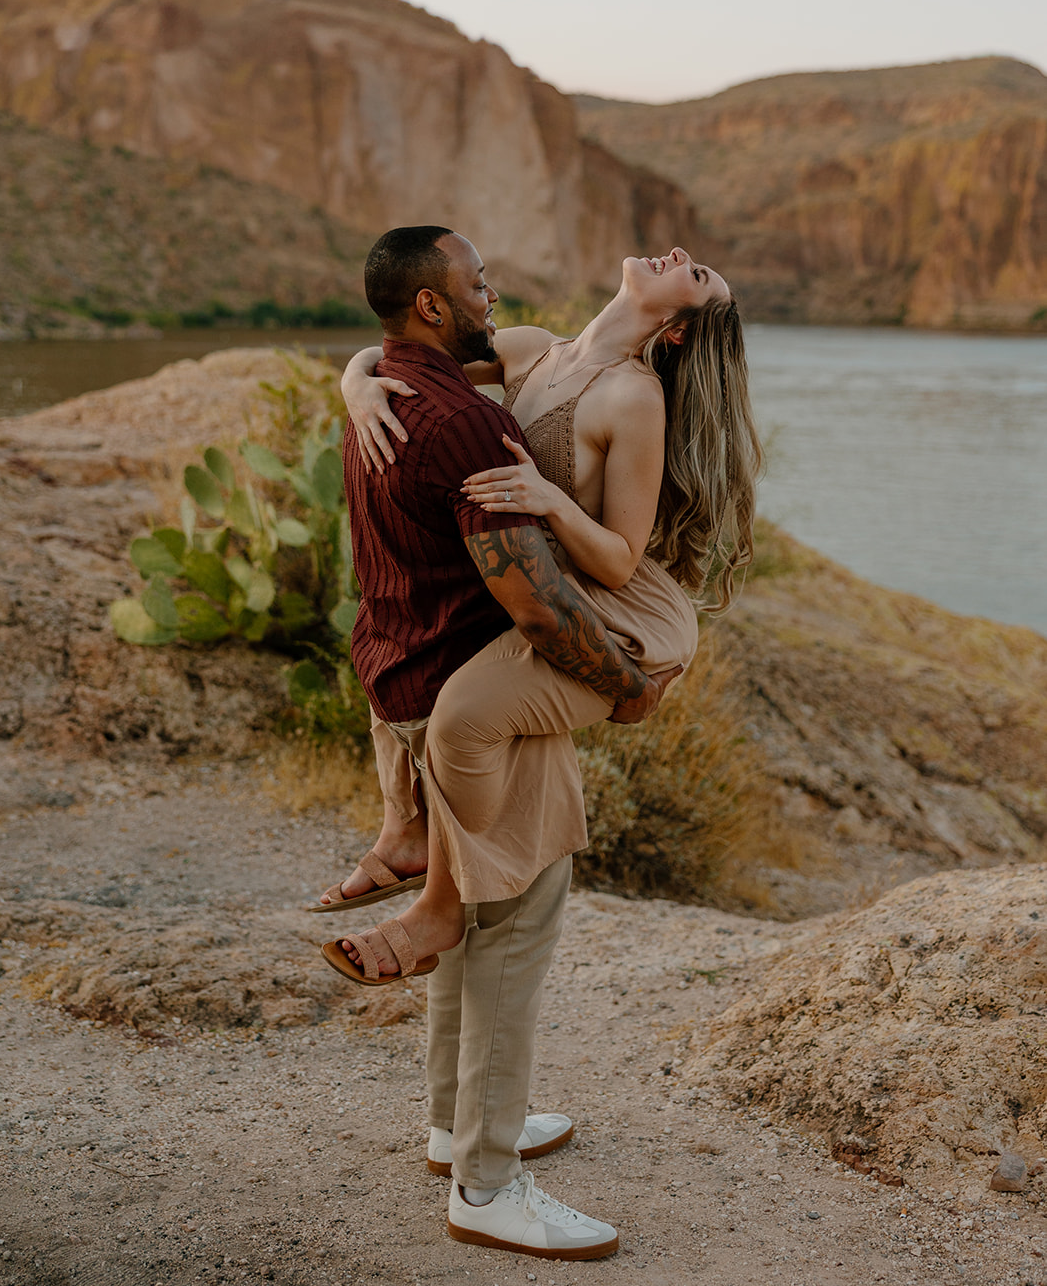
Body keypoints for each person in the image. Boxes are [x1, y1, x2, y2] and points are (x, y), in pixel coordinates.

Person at [324, 225, 682, 1262]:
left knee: (471, 923)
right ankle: (487, 1182)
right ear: (432, 307)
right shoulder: (467, 427)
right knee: (510, 928)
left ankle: (454, 1126)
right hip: (464, 698)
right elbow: (532, 603)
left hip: (398, 680)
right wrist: (626, 690)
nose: (494, 291)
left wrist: (349, 375)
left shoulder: (385, 391)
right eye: (476, 282)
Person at [322, 242, 760, 938]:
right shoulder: (528, 348)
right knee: (394, 647)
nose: (679, 253)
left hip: (616, 606)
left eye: (696, 273)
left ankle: (439, 902)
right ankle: (401, 833)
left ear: (676, 329)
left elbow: (618, 559)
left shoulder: (634, 398)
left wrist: (550, 501)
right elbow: (417, 358)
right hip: (538, 582)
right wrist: (354, 382)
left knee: (461, 719)